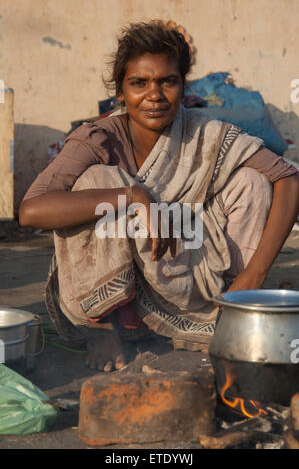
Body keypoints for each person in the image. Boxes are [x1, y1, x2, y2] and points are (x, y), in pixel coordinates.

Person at [19, 20, 299, 372]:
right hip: (125, 295)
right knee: (97, 180)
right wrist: (136, 195)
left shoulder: (206, 133)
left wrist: (254, 276)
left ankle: (234, 307)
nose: (154, 95)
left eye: (167, 81)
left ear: (183, 87)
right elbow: (31, 210)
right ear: (120, 92)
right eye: (139, 83)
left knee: (252, 180)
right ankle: (106, 327)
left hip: (193, 269)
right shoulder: (99, 138)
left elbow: (289, 178)